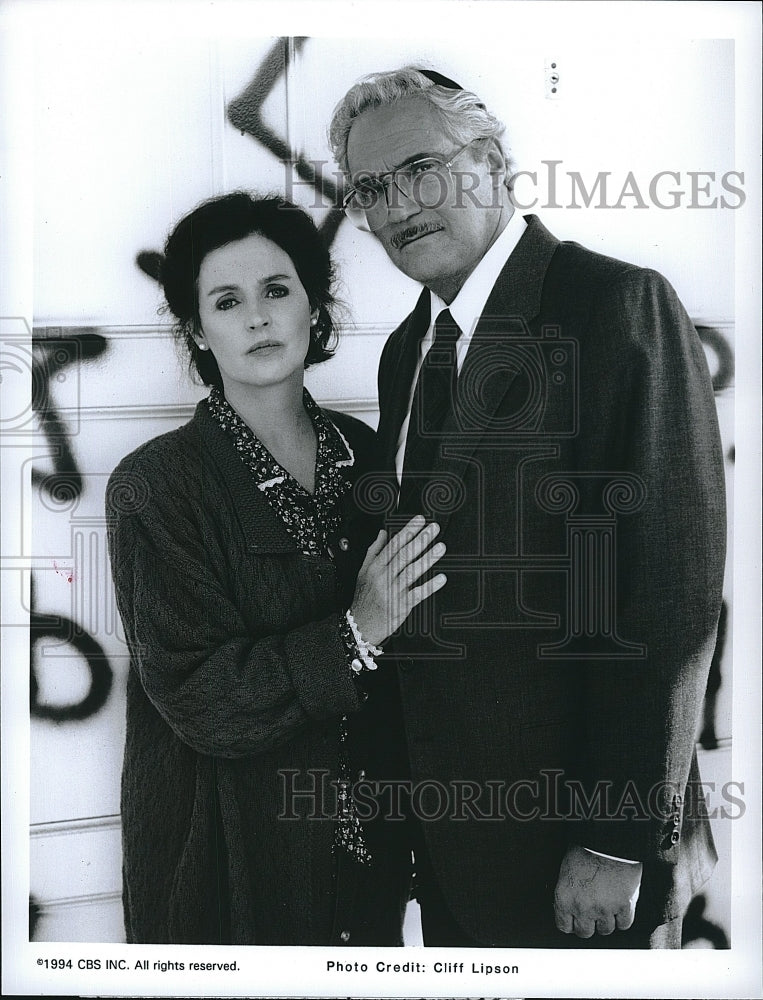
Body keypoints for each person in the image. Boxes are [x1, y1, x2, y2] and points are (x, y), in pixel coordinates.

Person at [328, 67, 726, 948]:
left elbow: (667, 594)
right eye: (372, 189)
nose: (399, 207)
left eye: (421, 168)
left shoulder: (614, 306)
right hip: (453, 846)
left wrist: (615, 838)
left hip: (579, 856)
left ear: (494, 161)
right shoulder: (407, 350)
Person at [105, 192, 445, 945]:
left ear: (313, 307)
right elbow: (199, 697)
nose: (257, 317)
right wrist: (357, 631)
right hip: (227, 859)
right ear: (197, 328)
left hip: (368, 860)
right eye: (226, 301)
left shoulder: (368, 455)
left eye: (276, 290)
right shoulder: (154, 486)